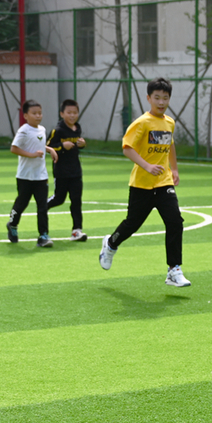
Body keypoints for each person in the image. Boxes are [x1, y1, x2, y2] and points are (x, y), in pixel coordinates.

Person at [99, 78, 191, 288]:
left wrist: (174, 169)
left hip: (163, 182)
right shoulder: (141, 123)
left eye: (165, 98)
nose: (161, 102)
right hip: (141, 184)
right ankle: (111, 244)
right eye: (156, 98)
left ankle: (174, 269)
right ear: (148, 98)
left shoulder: (169, 122)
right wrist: (147, 166)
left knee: (175, 221)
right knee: (132, 224)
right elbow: (127, 148)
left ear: (169, 99)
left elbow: (170, 145)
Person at [6, 100, 58, 248]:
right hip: (25, 176)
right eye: (34, 113)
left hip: (41, 176)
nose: (38, 116)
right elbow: (14, 148)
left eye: (40, 113)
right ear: (26, 116)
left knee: (42, 206)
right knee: (22, 203)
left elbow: (39, 144)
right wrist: (31, 155)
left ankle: (43, 235)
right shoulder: (24, 130)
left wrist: (50, 150)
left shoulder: (42, 129)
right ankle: (13, 225)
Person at [46, 98, 88, 241]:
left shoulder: (78, 128)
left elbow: (77, 145)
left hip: (76, 171)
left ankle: (77, 231)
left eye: (75, 112)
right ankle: (43, 206)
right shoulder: (57, 130)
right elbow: (48, 146)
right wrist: (62, 147)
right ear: (62, 114)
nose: (72, 115)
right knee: (59, 199)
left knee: (76, 201)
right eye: (69, 112)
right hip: (62, 172)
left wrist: (81, 144)